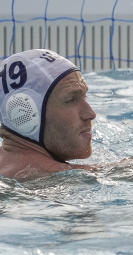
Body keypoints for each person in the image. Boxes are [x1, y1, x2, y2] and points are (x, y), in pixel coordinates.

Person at [0, 49, 98, 179]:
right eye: (71, 100)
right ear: (25, 114)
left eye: (84, 97)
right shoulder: (51, 176)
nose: (90, 114)